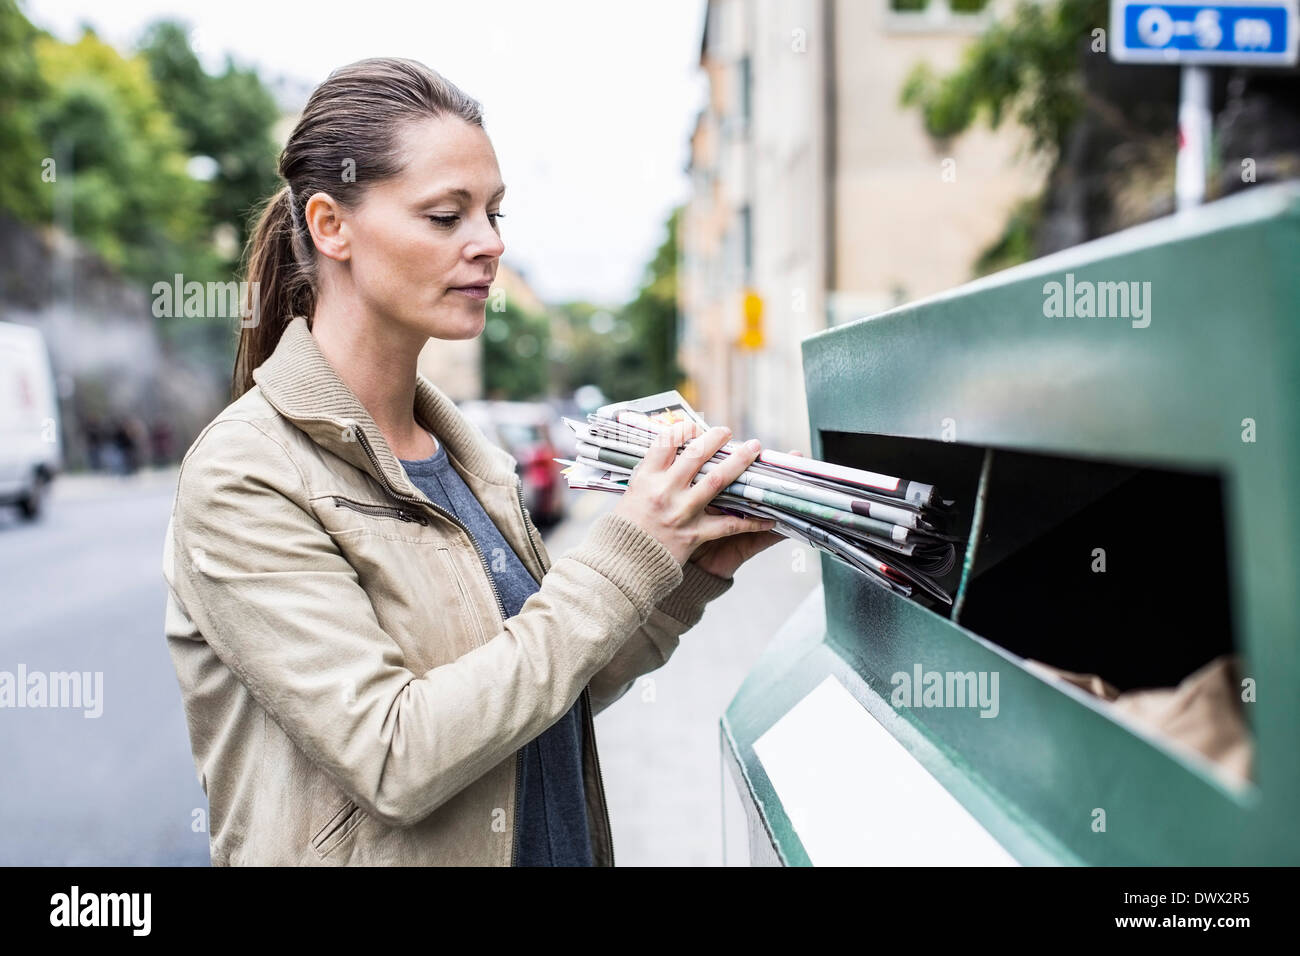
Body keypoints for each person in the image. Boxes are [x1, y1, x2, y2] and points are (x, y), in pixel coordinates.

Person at [162, 57, 784, 867]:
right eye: (445, 215)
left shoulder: (468, 458)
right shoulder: (247, 473)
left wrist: (686, 571)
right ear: (331, 225)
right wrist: (621, 554)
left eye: (493, 212)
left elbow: (552, 689)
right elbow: (394, 755)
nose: (488, 244)